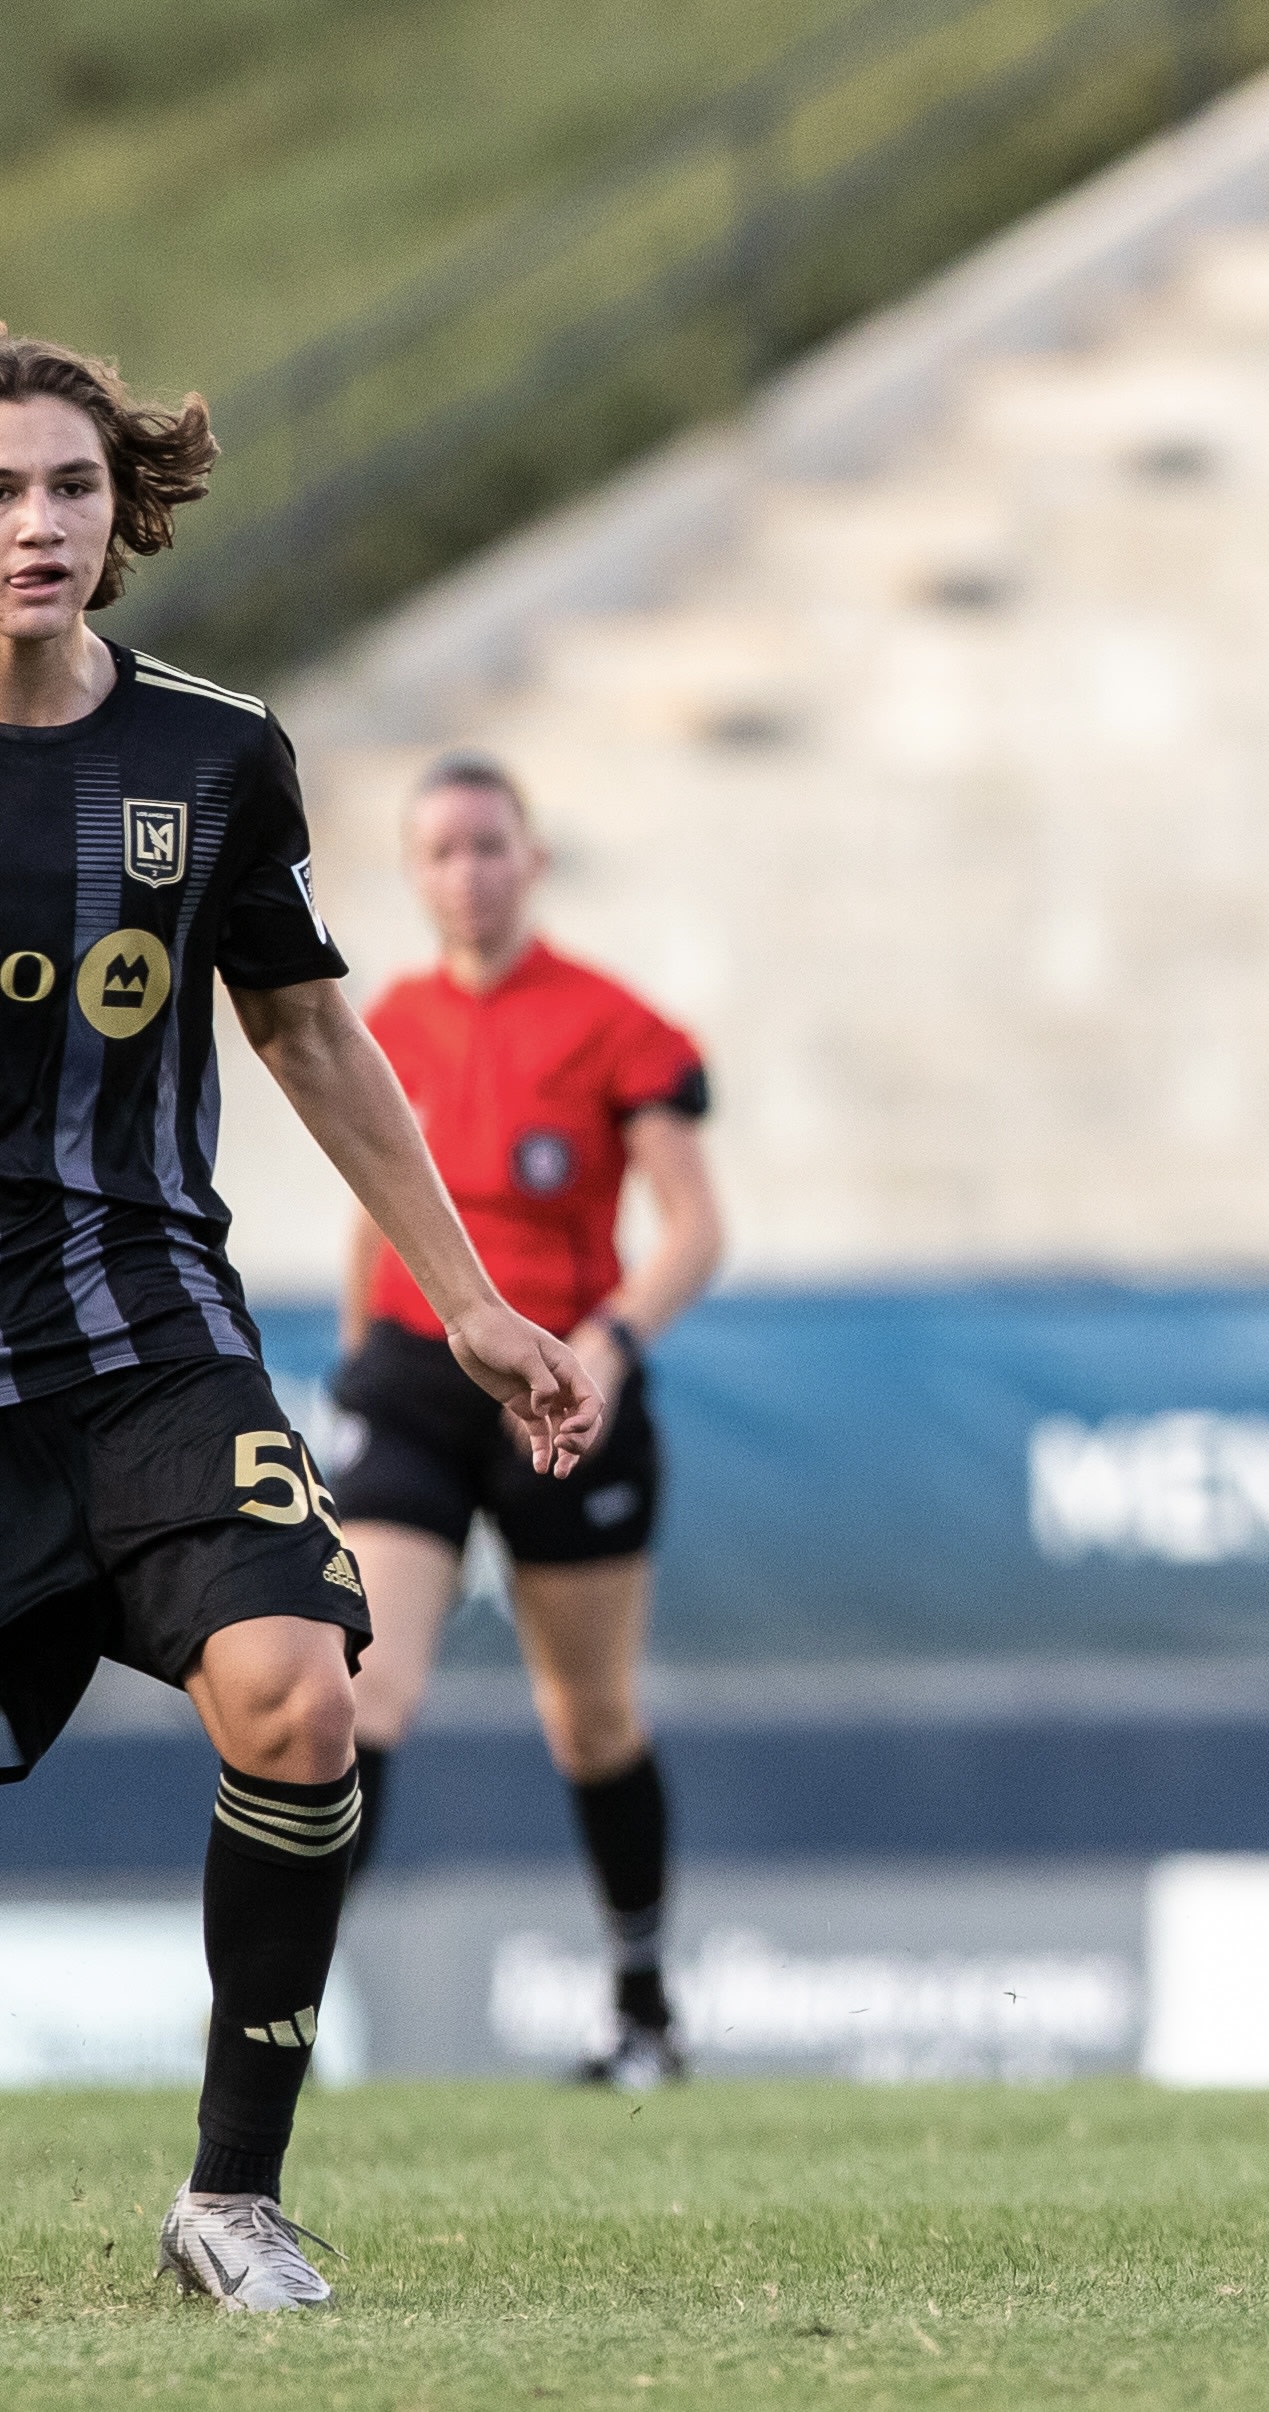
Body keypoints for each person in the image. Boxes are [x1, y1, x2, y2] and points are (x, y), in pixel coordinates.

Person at [0, 332, 598, 2310]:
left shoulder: (211, 753)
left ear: (122, 508)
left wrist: (472, 1299)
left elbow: (310, 1029)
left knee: (300, 1695)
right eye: (3, 494)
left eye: (69, 488)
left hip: (155, 1336)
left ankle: (231, 2199)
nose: (36, 528)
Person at [329, 750, 722, 2090]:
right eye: (440, 850)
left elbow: (696, 1228)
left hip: (566, 1381)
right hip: (416, 1376)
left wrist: (606, 1343)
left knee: (589, 1717)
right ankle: (287, 2014)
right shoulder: (388, 1018)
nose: (468, 871)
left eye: (490, 845)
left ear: (532, 859)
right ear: (414, 872)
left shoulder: (612, 1022)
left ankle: (645, 2010)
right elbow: (372, 1201)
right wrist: (357, 1349)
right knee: (359, 1688)